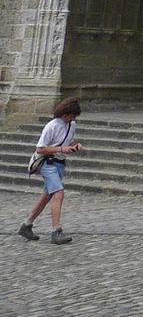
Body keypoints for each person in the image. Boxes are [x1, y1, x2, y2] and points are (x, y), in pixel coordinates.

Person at [19, 97, 85, 245]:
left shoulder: (72, 125)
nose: (73, 118)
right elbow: (40, 148)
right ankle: (56, 231)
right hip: (48, 164)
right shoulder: (52, 126)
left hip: (60, 164)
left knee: (46, 197)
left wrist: (74, 147)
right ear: (65, 113)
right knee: (59, 193)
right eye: (72, 115)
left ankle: (27, 225)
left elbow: (66, 143)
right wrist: (61, 149)